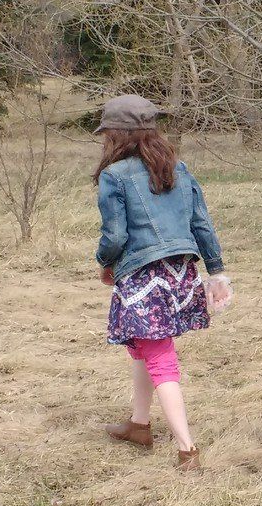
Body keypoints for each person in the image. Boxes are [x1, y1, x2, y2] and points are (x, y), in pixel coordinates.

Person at [93, 94, 232, 469]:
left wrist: (105, 263)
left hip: (143, 276)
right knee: (143, 346)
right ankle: (139, 424)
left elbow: (116, 237)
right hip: (181, 273)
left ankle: (187, 450)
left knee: (158, 355)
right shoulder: (179, 169)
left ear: (116, 136)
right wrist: (216, 271)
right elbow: (201, 224)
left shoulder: (114, 176)